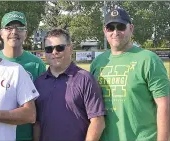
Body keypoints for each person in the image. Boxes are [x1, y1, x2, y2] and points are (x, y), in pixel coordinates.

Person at [90, 8, 170, 141]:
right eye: (110, 27)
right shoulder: (97, 63)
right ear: (105, 30)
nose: (115, 32)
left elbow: (164, 105)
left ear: (131, 28)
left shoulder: (149, 59)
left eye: (121, 27)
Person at [33, 28, 106, 141]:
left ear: (70, 49)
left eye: (60, 48)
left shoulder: (85, 79)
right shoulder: (39, 82)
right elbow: (37, 123)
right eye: (49, 49)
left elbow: (97, 121)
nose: (54, 52)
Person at [0, 11, 47, 141]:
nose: (14, 32)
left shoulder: (36, 64)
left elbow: (41, 107)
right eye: (9, 28)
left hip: (26, 136)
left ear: (26, 33)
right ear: (1, 33)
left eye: (19, 28)